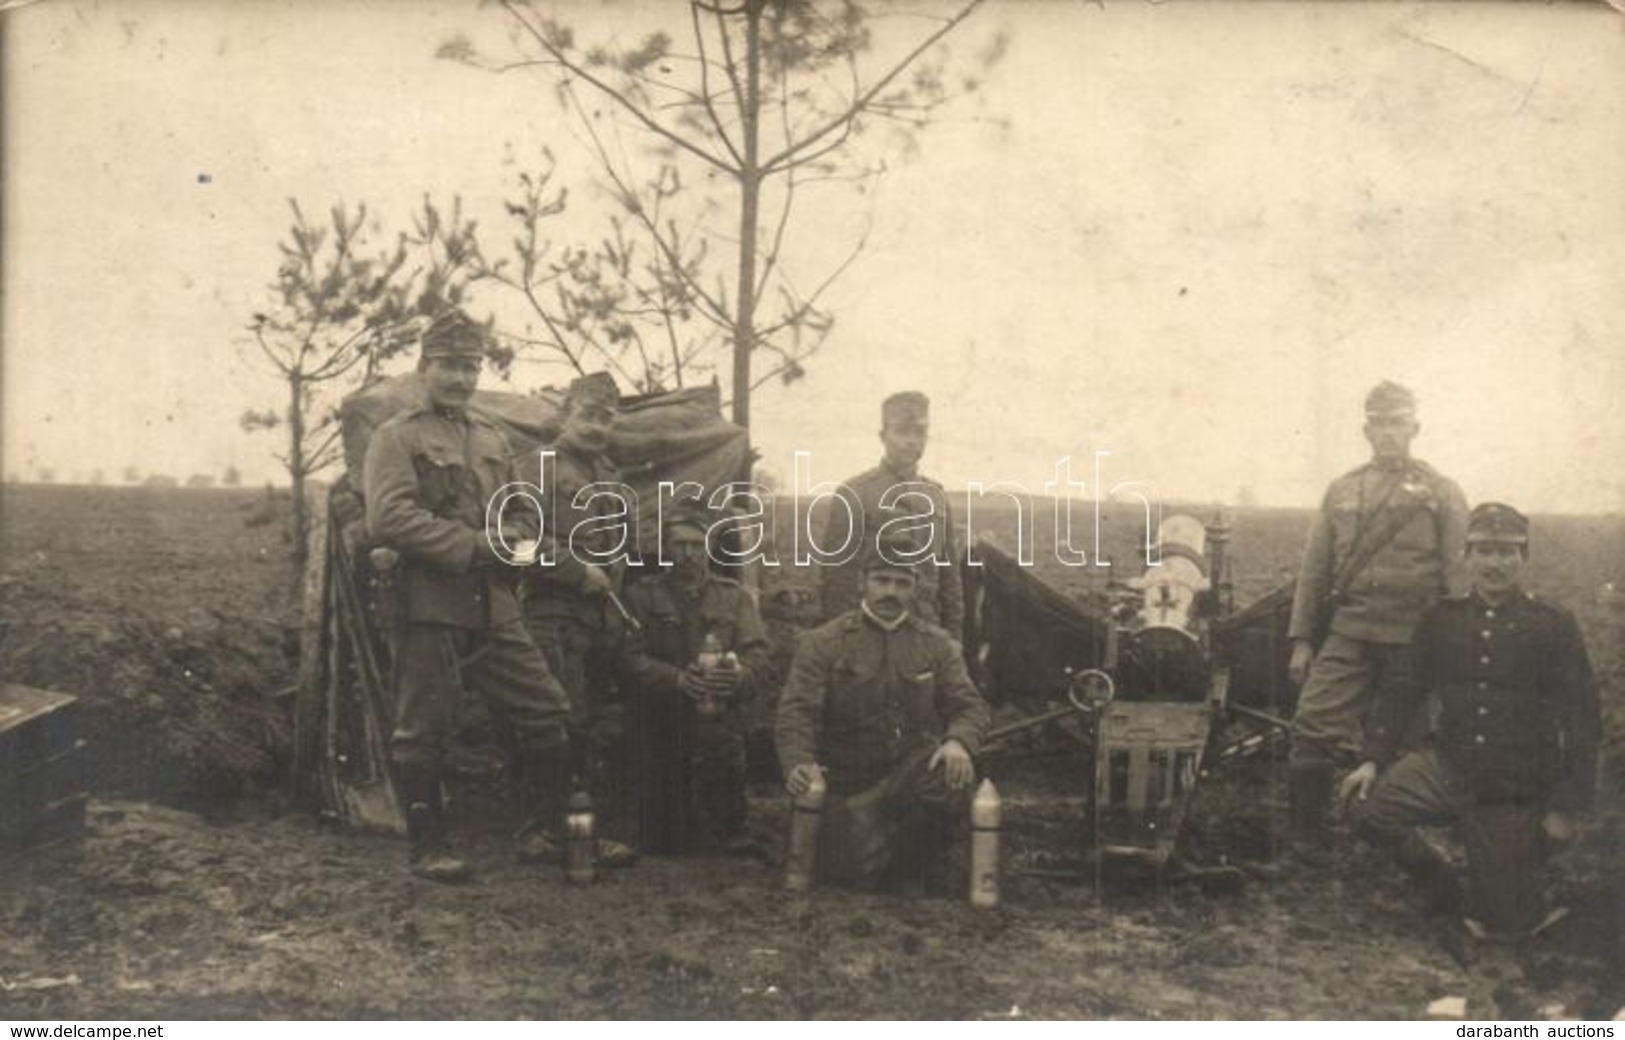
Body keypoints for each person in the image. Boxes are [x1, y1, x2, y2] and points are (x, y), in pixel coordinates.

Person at [362, 309, 574, 882]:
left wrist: (523, 537)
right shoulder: (396, 437)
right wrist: (479, 546)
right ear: (424, 367)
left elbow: (518, 505)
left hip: (494, 601)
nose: (462, 378)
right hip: (430, 600)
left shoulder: (490, 436)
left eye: (472, 367)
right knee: (421, 726)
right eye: (451, 366)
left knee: (545, 706)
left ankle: (546, 833)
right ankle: (428, 848)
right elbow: (390, 519)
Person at [1340, 502, 1598, 942]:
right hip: (1447, 767)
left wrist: (1565, 807)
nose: (1494, 563)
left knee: (1504, 926)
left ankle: (1510, 867)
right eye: (1484, 551)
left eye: (1506, 552)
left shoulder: (1551, 626)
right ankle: (1440, 883)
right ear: (1467, 556)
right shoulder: (1442, 618)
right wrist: (1371, 759)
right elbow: (1404, 689)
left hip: (1511, 787)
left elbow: (1582, 718)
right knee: (1363, 805)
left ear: (1523, 559)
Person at [1284, 380, 1469, 863]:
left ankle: (1392, 838)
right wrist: (1304, 640)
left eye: (1399, 423)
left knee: (1410, 741)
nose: (1390, 433)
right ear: (1367, 429)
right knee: (1311, 725)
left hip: (1415, 641)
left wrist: (1456, 647)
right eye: (1380, 423)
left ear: (1415, 427)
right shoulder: (1342, 490)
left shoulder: (1441, 492)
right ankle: (1308, 838)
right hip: (1351, 634)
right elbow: (1314, 570)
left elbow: (1457, 575)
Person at [777, 530, 989, 893]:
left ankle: (913, 870)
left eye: (902, 583)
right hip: (848, 777)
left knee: (949, 778)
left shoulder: (937, 645)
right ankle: (872, 853)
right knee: (845, 875)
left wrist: (958, 742)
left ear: (915, 588)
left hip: (910, 775)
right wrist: (799, 761)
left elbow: (969, 706)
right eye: (882, 580)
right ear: (863, 583)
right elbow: (796, 711)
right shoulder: (823, 643)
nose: (891, 592)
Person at [516, 370, 638, 866]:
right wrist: (572, 569)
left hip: (598, 621)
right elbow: (516, 543)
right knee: (551, 720)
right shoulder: (534, 468)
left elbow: (622, 549)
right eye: (588, 415)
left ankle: (578, 829)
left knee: (584, 723)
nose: (596, 426)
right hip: (548, 612)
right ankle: (537, 830)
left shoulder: (610, 478)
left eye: (606, 418)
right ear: (565, 414)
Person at [621, 508, 772, 855]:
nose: (688, 554)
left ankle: (731, 824)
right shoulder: (642, 595)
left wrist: (738, 676)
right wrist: (673, 679)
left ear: (709, 547)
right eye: (679, 545)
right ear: (665, 548)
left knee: (728, 826)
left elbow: (759, 655)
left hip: (717, 713)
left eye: (696, 545)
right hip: (662, 713)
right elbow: (627, 657)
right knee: (665, 841)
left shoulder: (734, 597)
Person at [818, 392, 964, 639]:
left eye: (919, 433)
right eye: (902, 432)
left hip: (926, 633)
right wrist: (843, 644)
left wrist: (953, 639)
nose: (911, 441)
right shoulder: (855, 492)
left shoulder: (936, 495)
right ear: (883, 436)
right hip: (870, 632)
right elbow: (837, 579)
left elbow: (949, 579)